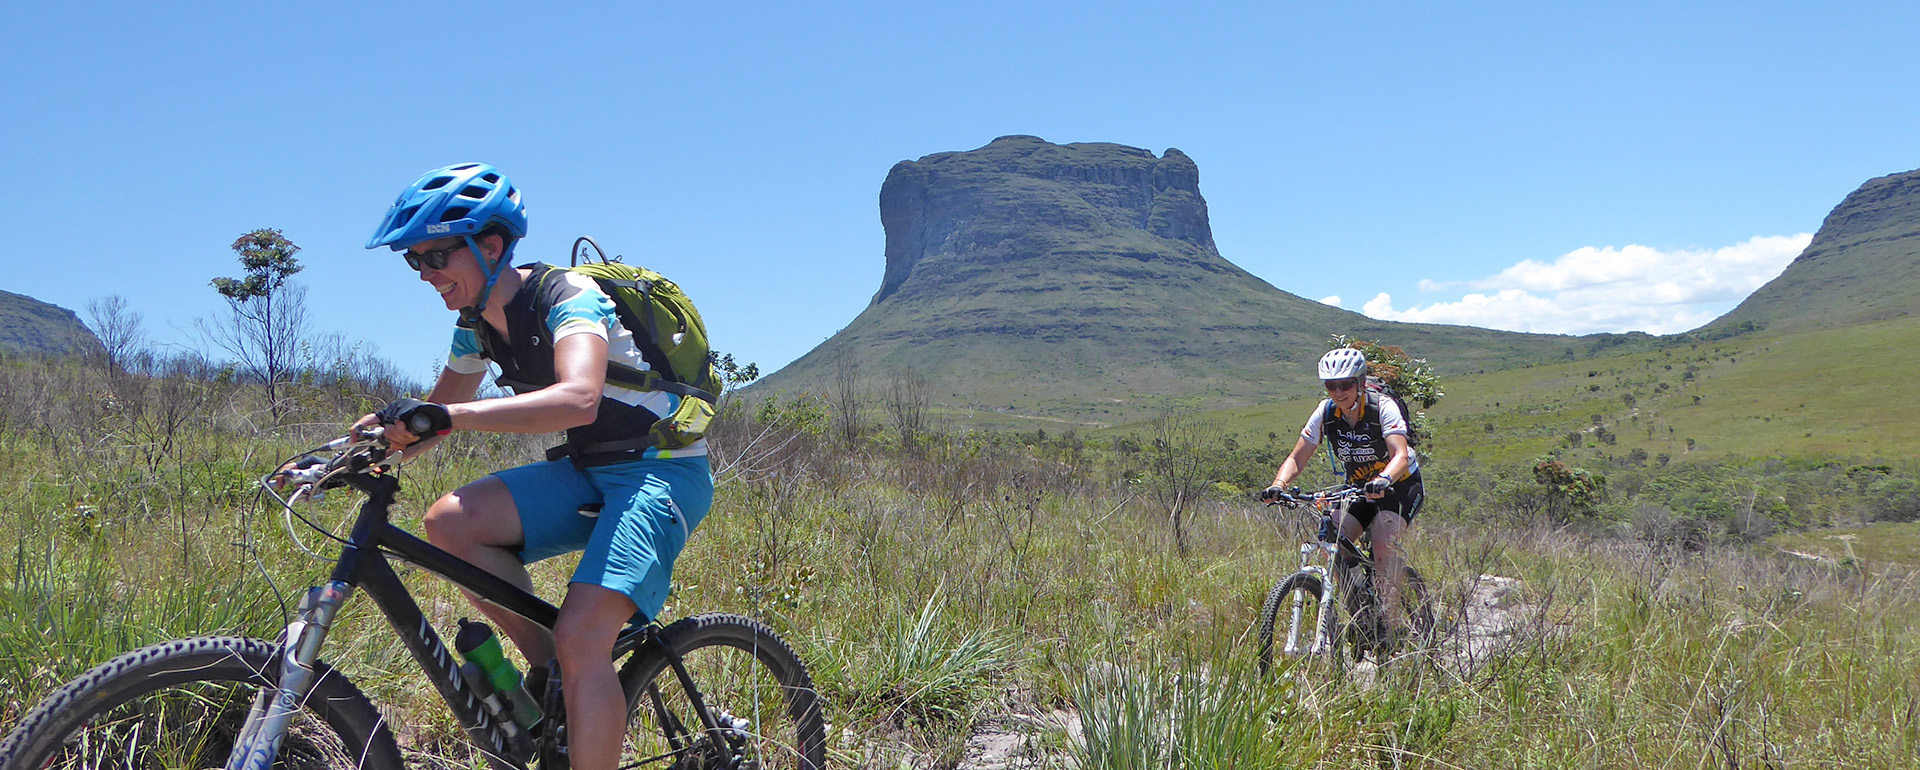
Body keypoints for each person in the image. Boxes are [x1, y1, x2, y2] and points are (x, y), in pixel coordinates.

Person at [359, 162, 714, 770]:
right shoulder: (475, 327)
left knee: (585, 640)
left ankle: (574, 662)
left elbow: (578, 398)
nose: (426, 275)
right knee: (451, 523)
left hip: (661, 471)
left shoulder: (568, 297)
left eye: (436, 257)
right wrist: (363, 443)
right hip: (590, 470)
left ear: (489, 245)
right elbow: (436, 409)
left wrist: (452, 416)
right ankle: (553, 672)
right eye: (413, 261)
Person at [1261, 347, 1424, 643]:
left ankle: (1390, 625)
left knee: (1383, 542)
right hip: (1360, 488)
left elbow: (1400, 454)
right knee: (1332, 540)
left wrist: (1384, 478)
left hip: (1399, 484)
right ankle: (1361, 615)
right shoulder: (1326, 412)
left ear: (1360, 383)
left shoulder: (1382, 406)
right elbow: (1297, 458)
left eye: (1345, 384)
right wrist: (1278, 485)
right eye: (1330, 385)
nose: (1338, 391)